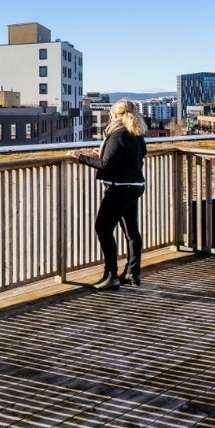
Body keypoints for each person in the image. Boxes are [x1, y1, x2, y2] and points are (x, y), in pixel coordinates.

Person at [73, 99, 148, 289]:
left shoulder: (118, 133)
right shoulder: (136, 131)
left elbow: (106, 165)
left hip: (120, 188)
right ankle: (132, 273)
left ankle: (111, 275)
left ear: (115, 115)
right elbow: (140, 154)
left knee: (103, 228)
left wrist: (79, 157)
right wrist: (105, 152)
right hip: (134, 185)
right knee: (131, 231)